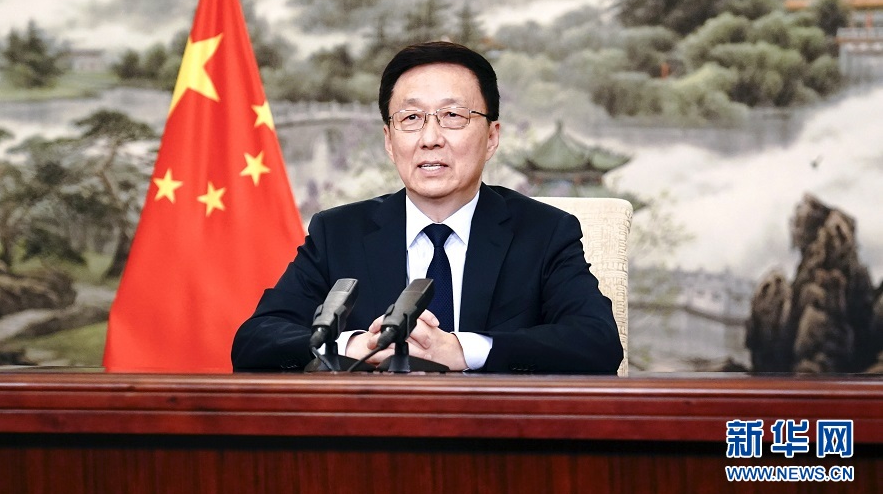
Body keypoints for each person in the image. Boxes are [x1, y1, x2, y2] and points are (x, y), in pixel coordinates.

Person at [232, 41, 623, 373]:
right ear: (389, 141)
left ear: (491, 137)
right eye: (411, 118)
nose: (430, 138)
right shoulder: (338, 233)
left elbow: (597, 343)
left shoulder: (544, 232)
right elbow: (255, 341)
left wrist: (461, 350)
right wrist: (353, 346)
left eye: (452, 115)